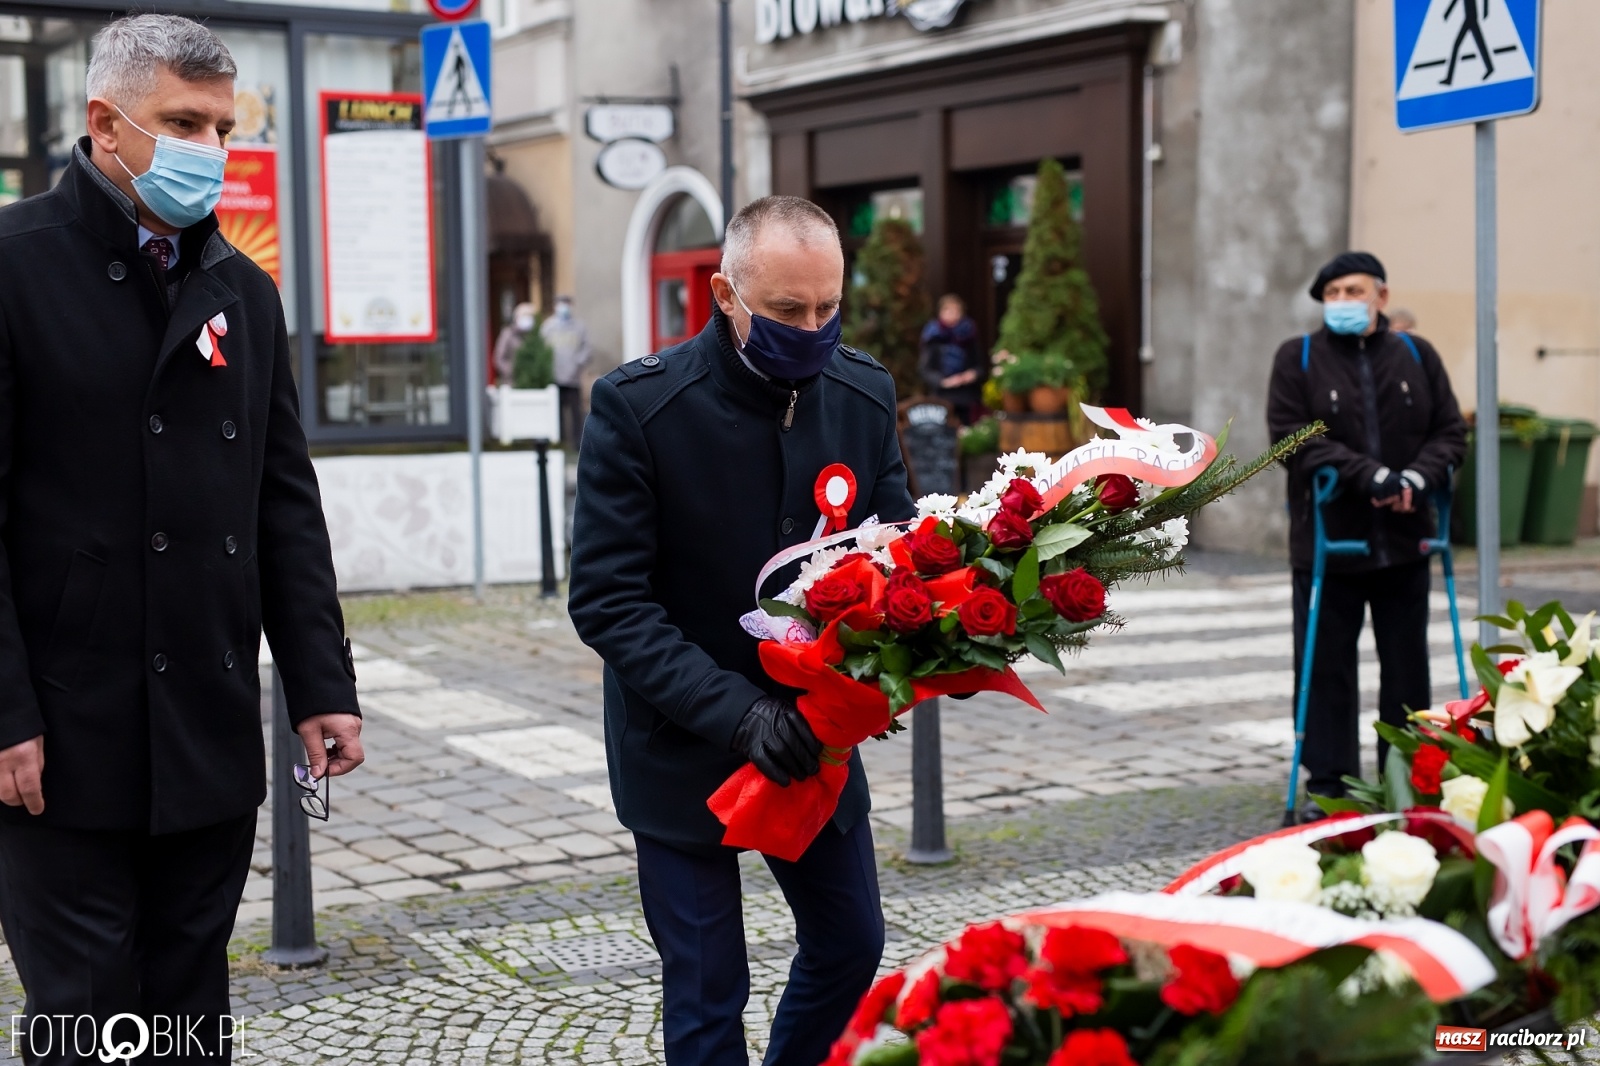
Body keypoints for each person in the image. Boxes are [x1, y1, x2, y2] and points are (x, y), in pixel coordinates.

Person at [0, 15, 362, 1061]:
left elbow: (283, 503)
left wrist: (320, 684)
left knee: (190, 1010)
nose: (209, 149)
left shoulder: (242, 292)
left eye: (222, 126)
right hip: (62, 738)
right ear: (104, 123)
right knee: (86, 1011)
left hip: (204, 731)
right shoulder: (16, 267)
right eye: (182, 123)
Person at [568, 195, 913, 1066]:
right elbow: (609, 602)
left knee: (850, 946)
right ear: (726, 294)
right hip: (680, 744)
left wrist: (906, 655)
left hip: (815, 740)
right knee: (707, 990)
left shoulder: (863, 393)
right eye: (787, 311)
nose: (812, 328)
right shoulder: (637, 408)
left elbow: (901, 556)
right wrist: (739, 715)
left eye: (828, 308)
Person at [1267, 251, 1465, 820]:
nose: (1342, 303)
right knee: (1325, 666)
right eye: (1331, 295)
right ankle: (1329, 785)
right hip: (1330, 544)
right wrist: (1371, 475)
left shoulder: (1415, 355)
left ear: (1380, 295)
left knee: (1407, 669)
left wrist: (1417, 478)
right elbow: (1293, 438)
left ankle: (1404, 777)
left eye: (1353, 291)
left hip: (1406, 541)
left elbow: (1449, 432)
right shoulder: (1298, 358)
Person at [918, 293, 984, 423]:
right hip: (942, 397)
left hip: (966, 397)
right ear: (940, 313)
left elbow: (979, 367)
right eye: (948, 310)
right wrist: (944, 382)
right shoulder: (933, 338)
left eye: (956, 311)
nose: (952, 315)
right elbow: (924, 369)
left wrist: (970, 375)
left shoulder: (969, 336)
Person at [541, 294, 591, 448]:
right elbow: (541, 350)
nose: (564, 307)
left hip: (573, 377)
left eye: (567, 304)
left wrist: (577, 365)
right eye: (560, 304)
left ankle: (577, 444)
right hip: (554, 377)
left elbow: (587, 349)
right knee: (556, 413)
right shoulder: (548, 326)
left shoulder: (579, 327)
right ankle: (559, 443)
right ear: (555, 306)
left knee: (576, 413)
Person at [493, 300, 537, 385]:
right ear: (517, 317)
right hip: (512, 382)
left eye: (530, 316)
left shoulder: (534, 336)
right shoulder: (508, 334)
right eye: (525, 315)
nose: (527, 319)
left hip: (531, 383)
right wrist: (513, 370)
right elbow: (499, 358)